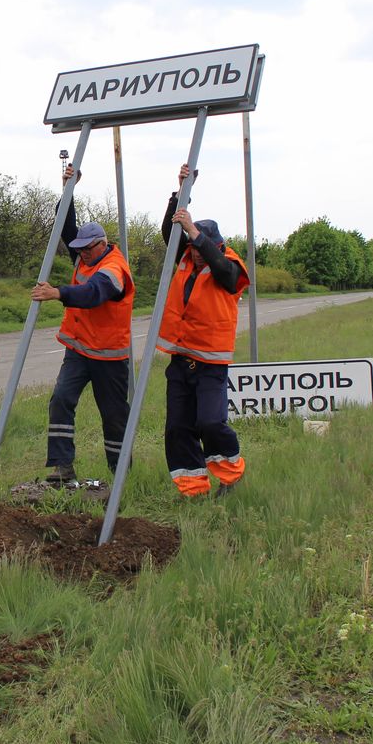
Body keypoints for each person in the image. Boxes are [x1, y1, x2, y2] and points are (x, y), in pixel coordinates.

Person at [31, 164, 135, 485]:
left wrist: (57, 292)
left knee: (114, 417)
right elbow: (66, 227)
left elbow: (93, 294)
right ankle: (63, 468)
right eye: (79, 250)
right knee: (61, 400)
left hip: (109, 357)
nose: (82, 256)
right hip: (78, 351)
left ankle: (121, 475)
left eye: (87, 250)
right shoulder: (84, 254)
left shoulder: (114, 268)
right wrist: (68, 189)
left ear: (102, 244)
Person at [156, 164, 250, 496]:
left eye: (200, 248)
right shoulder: (183, 257)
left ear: (213, 244)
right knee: (179, 428)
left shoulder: (230, 266)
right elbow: (170, 234)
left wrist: (196, 233)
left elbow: (224, 272)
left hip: (211, 365)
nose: (194, 256)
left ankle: (232, 476)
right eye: (192, 249)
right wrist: (180, 191)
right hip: (181, 361)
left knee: (210, 423)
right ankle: (194, 489)